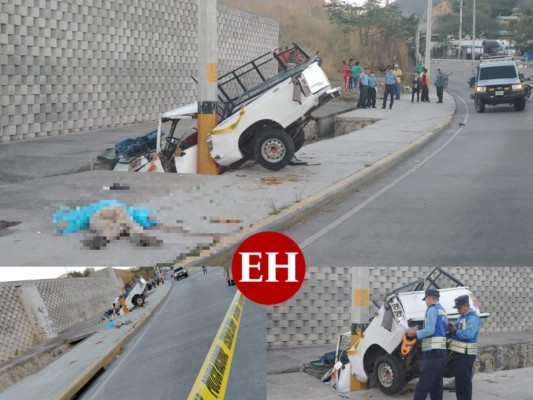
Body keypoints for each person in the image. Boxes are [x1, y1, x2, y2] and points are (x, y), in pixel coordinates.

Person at [407, 288, 448, 400]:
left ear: (430, 298)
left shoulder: (432, 309)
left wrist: (415, 333)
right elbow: (439, 329)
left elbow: (430, 330)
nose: (426, 302)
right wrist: (420, 328)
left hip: (432, 353)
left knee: (423, 384)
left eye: (426, 299)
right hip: (441, 352)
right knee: (437, 384)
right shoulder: (442, 310)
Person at [448, 295, 480, 400]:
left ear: (466, 306)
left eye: (459, 308)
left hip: (466, 355)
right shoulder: (462, 318)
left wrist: (456, 331)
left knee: (465, 381)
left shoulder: (473, 318)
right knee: (459, 381)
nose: (457, 310)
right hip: (459, 354)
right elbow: (456, 326)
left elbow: (469, 334)